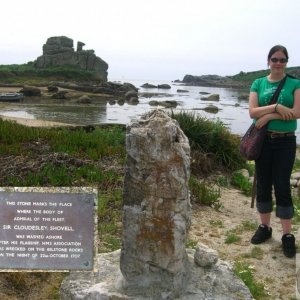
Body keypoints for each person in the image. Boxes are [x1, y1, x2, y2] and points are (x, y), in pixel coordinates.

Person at [248, 45, 300, 258]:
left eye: (282, 60)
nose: (278, 63)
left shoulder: (295, 83)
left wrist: (268, 116)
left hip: (285, 142)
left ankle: (287, 235)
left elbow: (297, 113)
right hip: (264, 143)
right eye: (274, 59)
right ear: (268, 61)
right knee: (263, 184)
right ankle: (265, 228)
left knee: (282, 186)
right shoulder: (258, 83)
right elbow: (252, 112)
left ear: (286, 62)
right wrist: (278, 108)